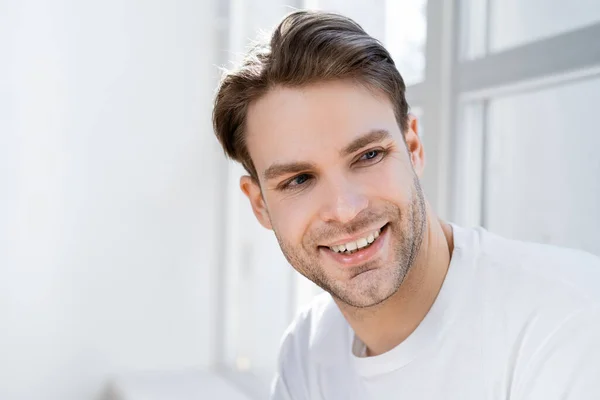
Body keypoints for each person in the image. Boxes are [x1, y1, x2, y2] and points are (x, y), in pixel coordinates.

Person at [212, 10, 600, 400]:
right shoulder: (307, 350)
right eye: (298, 180)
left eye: (368, 156)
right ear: (260, 204)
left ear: (412, 147)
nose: (345, 209)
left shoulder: (567, 321)